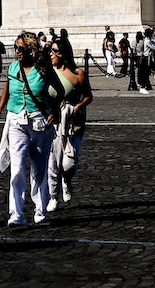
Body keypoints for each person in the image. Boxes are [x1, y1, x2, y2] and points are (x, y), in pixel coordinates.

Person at [0, 32, 62, 227]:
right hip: (16, 121)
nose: (17, 52)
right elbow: (7, 88)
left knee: (39, 169)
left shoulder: (43, 68)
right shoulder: (13, 67)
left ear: (30, 49)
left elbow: (60, 90)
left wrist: (54, 111)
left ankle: (40, 210)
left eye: (20, 49)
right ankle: (16, 214)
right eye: (15, 48)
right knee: (17, 169)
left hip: (38, 122)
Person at [46, 38, 90, 205]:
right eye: (50, 51)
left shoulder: (78, 74)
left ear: (62, 53)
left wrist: (78, 107)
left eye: (54, 51)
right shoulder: (47, 73)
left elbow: (88, 96)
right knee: (52, 162)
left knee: (68, 165)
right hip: (53, 123)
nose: (50, 54)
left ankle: (67, 181)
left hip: (73, 124)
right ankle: (53, 197)